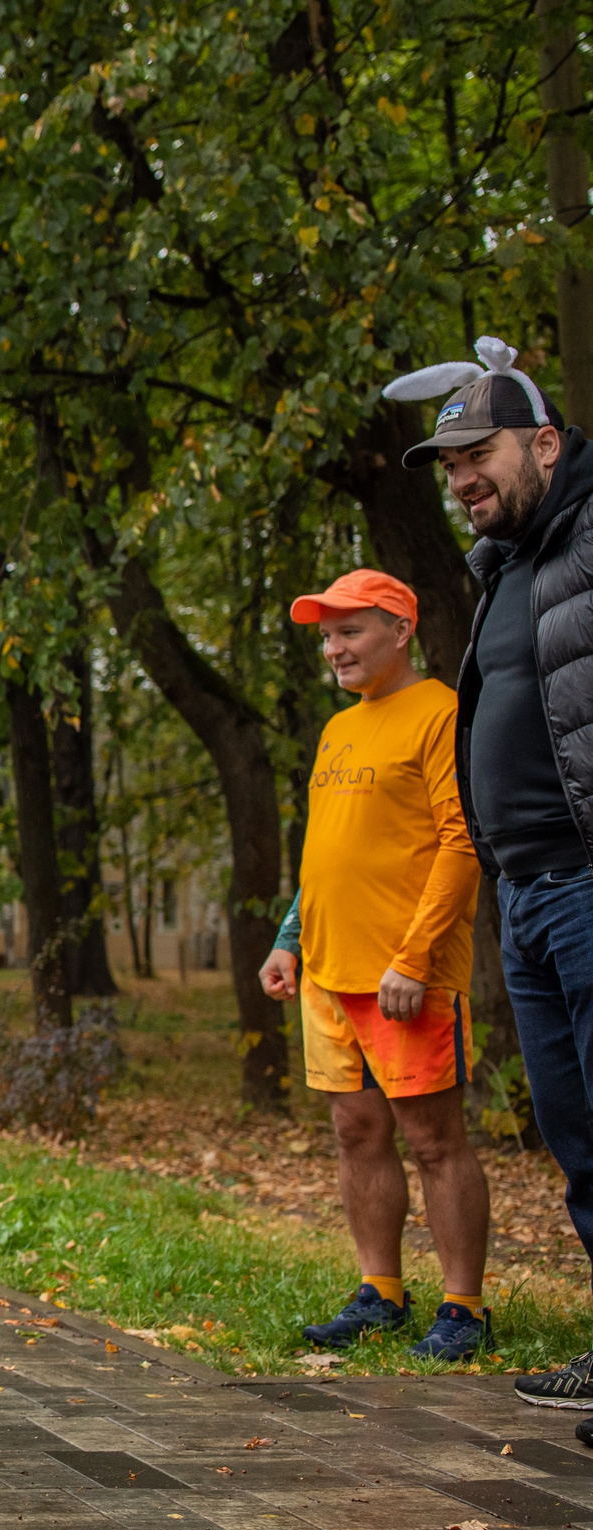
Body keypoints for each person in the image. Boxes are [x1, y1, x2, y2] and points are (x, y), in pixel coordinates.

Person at [388, 336, 593, 1409]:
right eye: (450, 466)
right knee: (576, 1133)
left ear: (545, 443)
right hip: (527, 896)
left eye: (481, 454)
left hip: (585, 881)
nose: (464, 480)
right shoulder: (511, 564)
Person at [258, 570, 489, 1360]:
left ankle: (464, 1308)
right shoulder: (336, 730)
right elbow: (323, 855)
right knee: (357, 1130)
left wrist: (415, 958)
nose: (333, 649)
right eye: (326, 635)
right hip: (327, 975)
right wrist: (290, 937)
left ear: (400, 630)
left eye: (349, 631)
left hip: (406, 977)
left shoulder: (442, 714)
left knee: (434, 1139)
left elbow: (462, 843)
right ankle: (380, 1292)